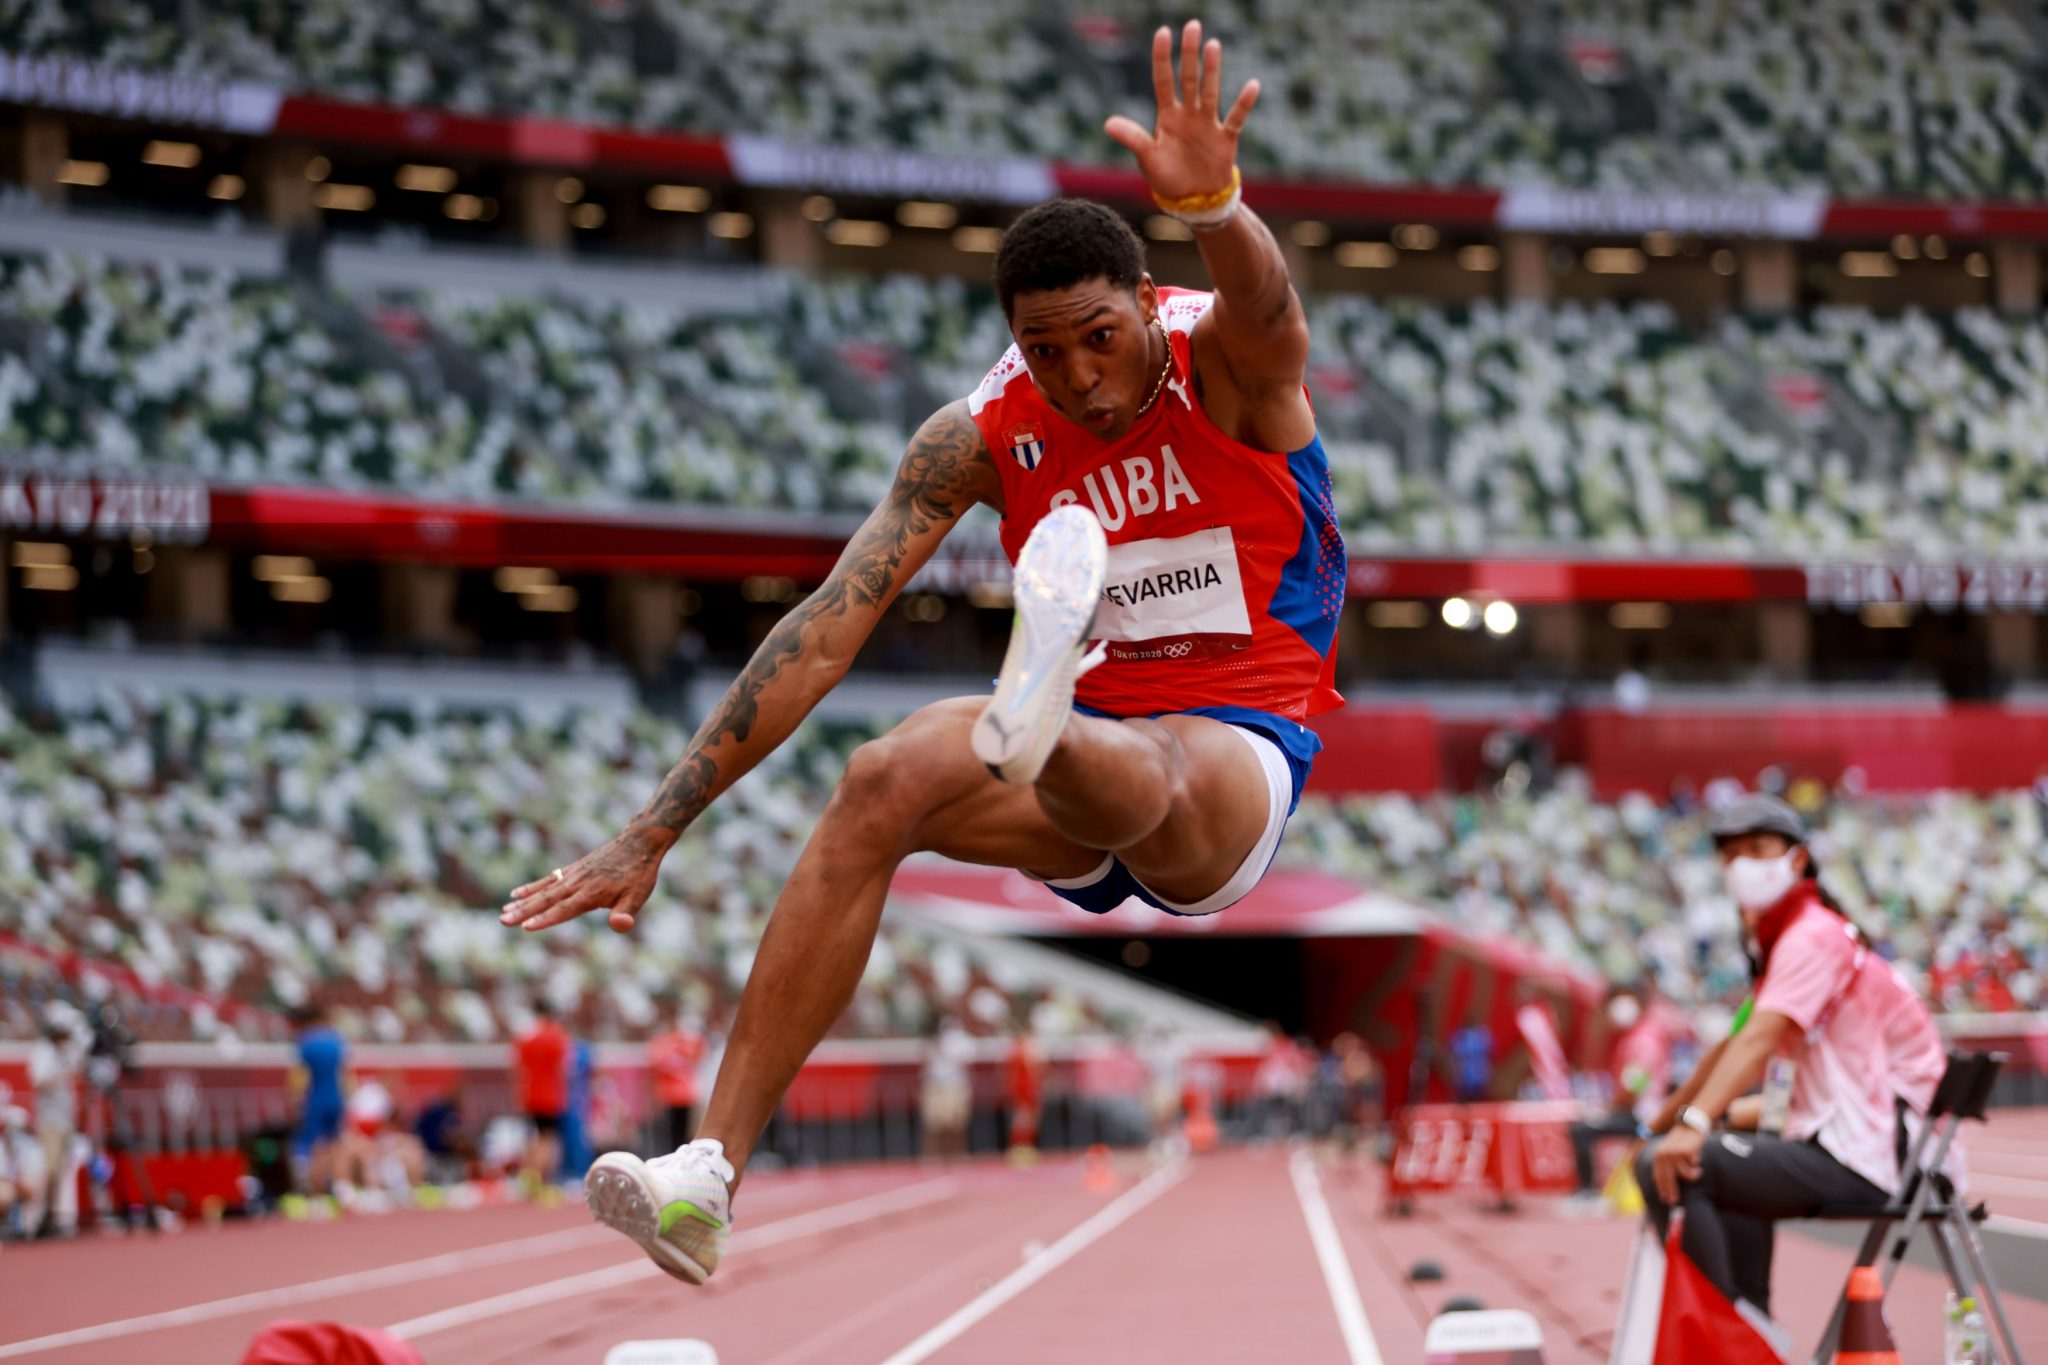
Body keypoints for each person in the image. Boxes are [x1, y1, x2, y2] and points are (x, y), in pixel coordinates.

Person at [505, 19, 1343, 1287]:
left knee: (1154, 769)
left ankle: (1041, 704)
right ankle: (708, 1177)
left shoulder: (1222, 357)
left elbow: (1271, 301)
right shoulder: (979, 432)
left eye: (1098, 337)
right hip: (1070, 774)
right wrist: (656, 824)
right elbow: (822, 627)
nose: (1076, 376)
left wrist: (1215, 204)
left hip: (1234, 748)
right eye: (1044, 349)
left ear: (1141, 308)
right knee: (879, 781)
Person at [1633, 793, 1951, 1329]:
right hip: (1881, 1145)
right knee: (1717, 1160)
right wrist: (1684, 1121)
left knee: (1674, 1165)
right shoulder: (1791, 946)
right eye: (1731, 856)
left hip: (1886, 1158)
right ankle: (1754, 1329)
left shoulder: (1811, 937)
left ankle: (1731, 1343)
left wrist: (1689, 1124)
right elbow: (1739, 1057)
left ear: (1797, 860)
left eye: (1758, 849)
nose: (1742, 867)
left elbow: (1752, 1043)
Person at [1569, 983, 1670, 1193]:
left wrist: (1608, 1110)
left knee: (1581, 1130)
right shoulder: (1633, 1035)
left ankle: (1587, 1191)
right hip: (1636, 1111)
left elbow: (1634, 1086)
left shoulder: (1644, 1039)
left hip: (1643, 1116)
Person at [27, 1008, 87, 1236]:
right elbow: (38, 1080)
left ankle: (51, 1216)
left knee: (60, 1171)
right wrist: (61, 1072)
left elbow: (77, 1069)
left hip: (64, 1120)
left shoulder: (63, 1052)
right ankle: (36, 1218)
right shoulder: (43, 1052)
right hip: (49, 1120)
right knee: (49, 1170)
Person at [288, 1003, 347, 1197]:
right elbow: (343, 1073)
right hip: (336, 1097)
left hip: (316, 1099)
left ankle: (313, 1192)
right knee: (335, 1145)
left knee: (312, 1147)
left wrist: (295, 1100)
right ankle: (341, 1188)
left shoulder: (305, 1041)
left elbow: (300, 1075)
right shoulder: (336, 1039)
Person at [512, 1001, 571, 1191]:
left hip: (529, 1093)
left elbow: (517, 1067)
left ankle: (526, 1179)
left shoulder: (525, 1035)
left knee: (532, 1138)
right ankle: (539, 1181)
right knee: (546, 1138)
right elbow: (563, 1067)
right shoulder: (555, 1035)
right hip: (549, 1095)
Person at [646, 1011, 708, 1153]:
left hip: (685, 1094)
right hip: (667, 1095)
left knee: (685, 1132)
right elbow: (654, 1068)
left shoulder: (685, 1042)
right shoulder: (661, 1043)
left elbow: (699, 1053)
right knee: (668, 1133)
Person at [919, 1019, 975, 1162]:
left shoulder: (961, 1041)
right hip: (936, 1084)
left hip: (954, 1084)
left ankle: (957, 1152)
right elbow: (925, 1060)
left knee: (956, 1122)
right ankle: (931, 1154)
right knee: (934, 1123)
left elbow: (967, 1058)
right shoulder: (932, 1042)